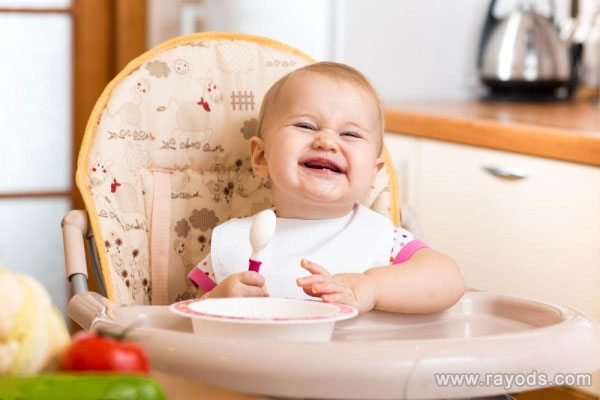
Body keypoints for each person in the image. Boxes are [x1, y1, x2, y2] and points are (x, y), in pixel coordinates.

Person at [188, 62, 465, 313]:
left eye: (350, 134)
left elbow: (448, 279)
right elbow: (185, 323)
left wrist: (370, 288)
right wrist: (216, 301)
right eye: (306, 126)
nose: (327, 142)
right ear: (261, 157)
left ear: (373, 173)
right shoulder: (235, 241)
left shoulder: (384, 240)